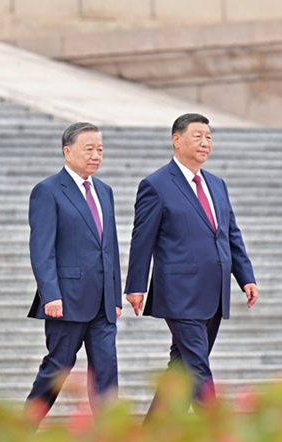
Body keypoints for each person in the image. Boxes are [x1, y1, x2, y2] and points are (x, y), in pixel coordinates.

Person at [124, 113, 258, 419]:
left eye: (209, 137)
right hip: (179, 293)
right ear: (177, 140)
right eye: (197, 136)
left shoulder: (217, 184)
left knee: (181, 368)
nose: (205, 142)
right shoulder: (156, 185)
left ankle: (152, 437)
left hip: (214, 290)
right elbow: (142, 239)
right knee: (198, 367)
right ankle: (221, 435)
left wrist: (245, 277)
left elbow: (230, 233)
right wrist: (135, 285)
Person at [25, 122, 122, 424]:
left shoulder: (104, 191)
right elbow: (42, 250)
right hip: (66, 301)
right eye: (88, 149)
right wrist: (50, 294)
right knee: (57, 368)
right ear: (67, 152)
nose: (96, 155)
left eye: (100, 149)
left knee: (106, 370)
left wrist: (115, 295)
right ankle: (23, 427)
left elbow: (110, 246)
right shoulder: (48, 191)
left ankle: (110, 437)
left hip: (103, 304)